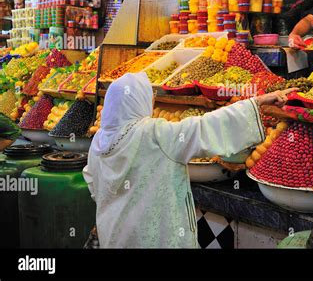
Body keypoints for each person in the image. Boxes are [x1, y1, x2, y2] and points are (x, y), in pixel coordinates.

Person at [83, 72, 297, 248]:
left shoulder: (99, 140)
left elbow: (93, 186)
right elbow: (202, 128)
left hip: (114, 236)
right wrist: (257, 102)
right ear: (138, 100)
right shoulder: (153, 134)